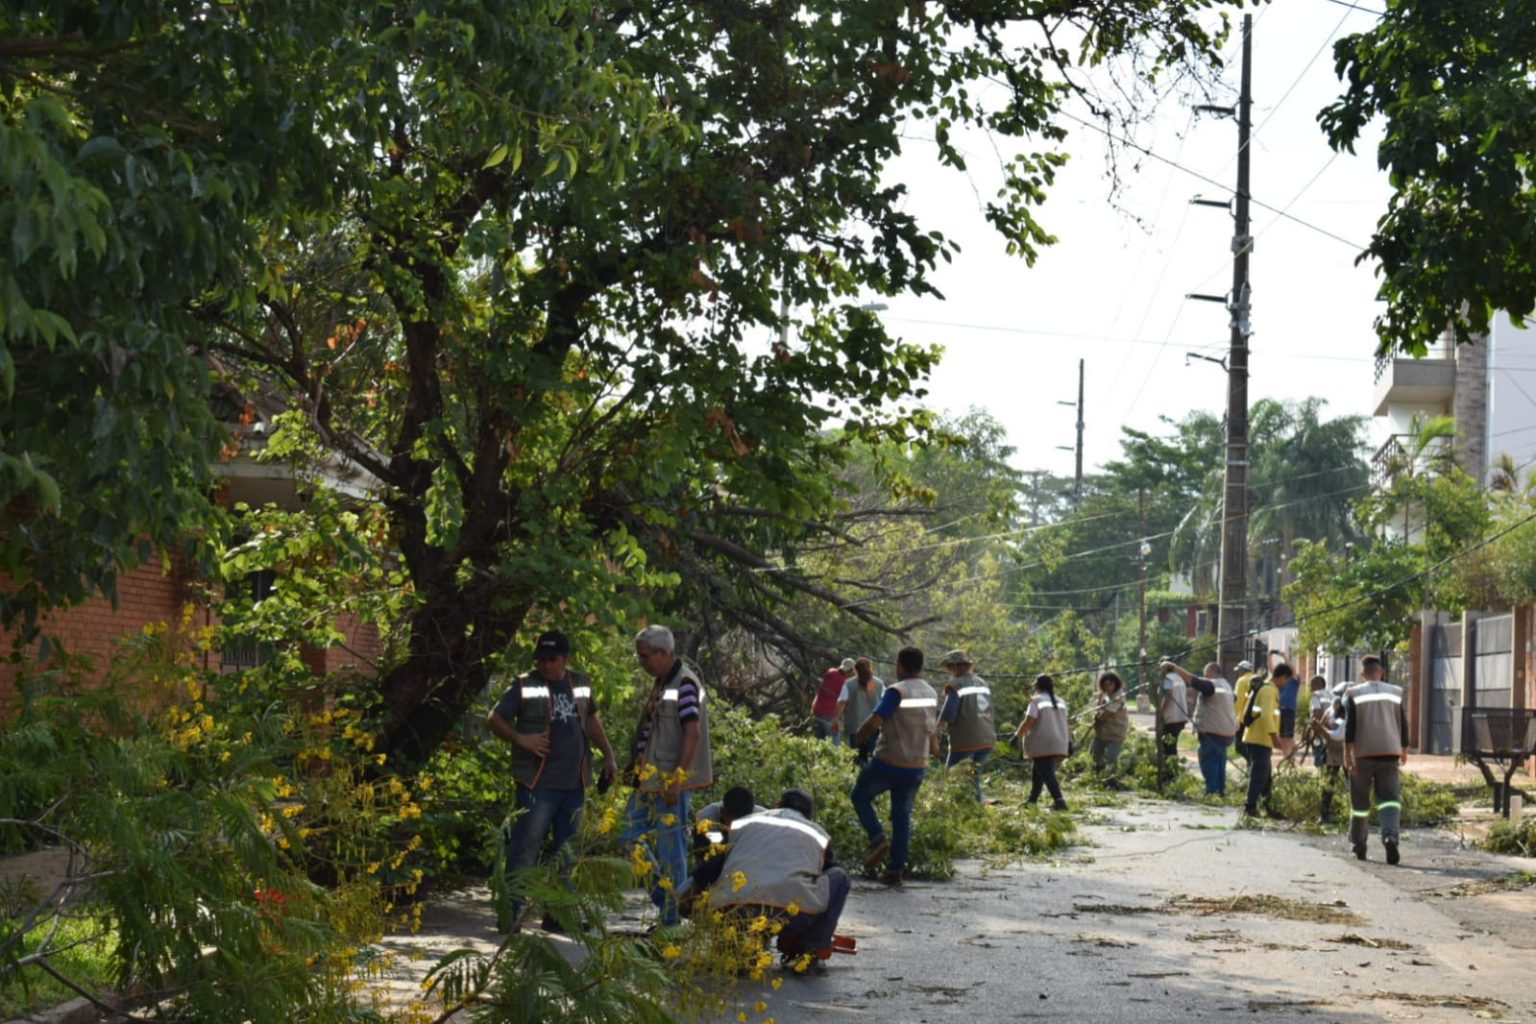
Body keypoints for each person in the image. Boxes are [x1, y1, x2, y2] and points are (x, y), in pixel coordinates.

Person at [486, 630, 619, 931]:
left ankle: (558, 917)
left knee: (566, 854)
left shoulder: (580, 683)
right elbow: (494, 718)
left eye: (552, 659)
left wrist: (609, 755)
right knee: (525, 848)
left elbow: (591, 720)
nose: (546, 665)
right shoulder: (524, 684)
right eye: (541, 660)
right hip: (538, 783)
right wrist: (521, 739)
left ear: (566, 659)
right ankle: (510, 914)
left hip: (574, 784)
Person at [682, 789, 851, 961]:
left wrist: (688, 897)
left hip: (733, 910)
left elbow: (715, 864)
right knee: (839, 877)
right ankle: (811, 950)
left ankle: (738, 943)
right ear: (809, 815)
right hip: (790, 915)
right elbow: (828, 873)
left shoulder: (744, 822)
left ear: (777, 804)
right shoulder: (817, 833)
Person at [622, 624, 715, 926]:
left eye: (645, 656)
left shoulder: (684, 683)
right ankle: (667, 903)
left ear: (663, 653)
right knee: (626, 836)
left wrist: (677, 779)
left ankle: (672, 920)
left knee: (671, 851)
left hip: (669, 783)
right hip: (649, 781)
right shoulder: (663, 682)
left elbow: (692, 733)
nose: (642, 662)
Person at [850, 646, 939, 887]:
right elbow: (932, 730)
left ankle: (877, 837)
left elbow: (876, 721)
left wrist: (859, 736)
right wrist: (933, 750)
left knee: (859, 795)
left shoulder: (896, 691)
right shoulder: (931, 692)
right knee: (902, 816)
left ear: (900, 665)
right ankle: (895, 871)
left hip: (889, 762)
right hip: (916, 765)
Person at [1344, 655, 1409, 864]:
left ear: (1362, 674)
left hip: (1362, 754)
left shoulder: (1354, 693)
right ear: (1381, 672)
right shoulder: (1395, 692)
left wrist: (1347, 755)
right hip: (1390, 752)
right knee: (1389, 800)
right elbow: (1403, 723)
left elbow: (1350, 727)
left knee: (1360, 804)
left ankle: (1359, 846)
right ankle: (1390, 837)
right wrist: (1404, 749)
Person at [1160, 660, 1237, 796]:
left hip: (1212, 733)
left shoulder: (1211, 685)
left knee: (1209, 763)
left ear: (1212, 673)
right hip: (1226, 733)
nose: (1204, 677)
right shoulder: (1226, 686)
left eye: (1206, 675)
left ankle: (1211, 793)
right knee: (1220, 763)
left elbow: (1194, 680)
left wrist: (1174, 667)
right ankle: (1220, 792)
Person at [938, 649, 996, 801]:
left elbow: (948, 714)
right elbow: (989, 709)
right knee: (972, 778)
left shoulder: (956, 685)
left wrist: (935, 732)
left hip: (966, 740)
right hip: (987, 738)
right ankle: (975, 808)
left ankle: (959, 808)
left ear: (955, 666)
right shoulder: (982, 683)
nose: (950, 671)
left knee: (952, 776)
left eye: (950, 667)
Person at [1011, 674, 1070, 811]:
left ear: (1037, 687)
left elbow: (1029, 721)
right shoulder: (1060, 701)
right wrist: (1070, 742)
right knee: (1038, 770)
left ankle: (1060, 801)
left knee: (1047, 773)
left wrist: (1016, 736)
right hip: (1059, 741)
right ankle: (1032, 800)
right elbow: (1066, 724)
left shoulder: (1036, 701)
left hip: (1042, 741)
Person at [1235, 663, 1286, 818]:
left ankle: (1267, 806)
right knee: (1259, 774)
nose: (1286, 684)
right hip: (1260, 738)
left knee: (1265, 776)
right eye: (1287, 680)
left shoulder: (1265, 688)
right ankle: (1250, 806)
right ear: (1282, 677)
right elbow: (1266, 716)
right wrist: (1274, 736)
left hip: (1258, 737)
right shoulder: (1269, 691)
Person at [1306, 675, 1346, 824]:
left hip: (1332, 745)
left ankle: (1325, 814)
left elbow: (1317, 718)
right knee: (1342, 778)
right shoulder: (1333, 700)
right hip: (1341, 746)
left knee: (1329, 777)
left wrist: (1315, 731)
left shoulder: (1316, 696)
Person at [693, 785, 762, 871]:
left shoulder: (763, 818)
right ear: (722, 812)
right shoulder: (706, 819)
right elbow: (707, 856)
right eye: (732, 824)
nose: (735, 830)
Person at [835, 658, 885, 764]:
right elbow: (884, 704)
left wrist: (836, 720)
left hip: (855, 728)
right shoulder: (879, 684)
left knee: (857, 760)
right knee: (872, 759)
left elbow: (842, 703)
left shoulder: (849, 684)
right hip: (873, 727)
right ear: (871, 669)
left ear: (855, 670)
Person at [1090, 671, 1129, 779]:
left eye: (1110, 684)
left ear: (1115, 684)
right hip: (1102, 732)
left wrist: (1096, 720)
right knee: (1094, 754)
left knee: (1112, 759)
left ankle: (1112, 779)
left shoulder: (1118, 697)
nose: (1108, 687)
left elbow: (1106, 715)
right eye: (1105, 685)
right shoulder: (1105, 694)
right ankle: (1098, 775)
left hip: (1115, 733)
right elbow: (1099, 709)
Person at [1158, 662, 1191, 776]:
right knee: (1172, 745)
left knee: (1168, 747)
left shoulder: (1168, 679)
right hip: (1180, 717)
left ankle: (1170, 772)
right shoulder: (1179, 678)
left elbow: (1169, 695)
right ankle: (1173, 770)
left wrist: (1161, 713)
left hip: (1170, 718)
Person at [811, 658, 854, 742]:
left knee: (818, 742)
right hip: (829, 714)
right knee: (834, 742)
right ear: (851, 670)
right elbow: (842, 703)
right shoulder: (845, 682)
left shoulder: (830, 672)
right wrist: (836, 719)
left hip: (816, 709)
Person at [1274, 654, 1301, 760]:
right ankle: (1288, 755)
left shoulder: (1294, 682)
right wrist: (1269, 657)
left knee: (1287, 736)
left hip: (1289, 710)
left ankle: (1289, 756)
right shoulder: (1281, 683)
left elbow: (1293, 670)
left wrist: (1285, 657)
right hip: (1280, 710)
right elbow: (1273, 672)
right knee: (1282, 736)